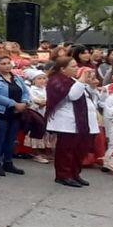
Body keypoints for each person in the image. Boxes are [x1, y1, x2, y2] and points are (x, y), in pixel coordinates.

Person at [46, 56, 100, 188]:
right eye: (73, 66)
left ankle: (75, 173)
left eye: (76, 66)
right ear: (63, 69)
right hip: (67, 122)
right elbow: (73, 96)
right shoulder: (56, 81)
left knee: (80, 149)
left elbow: (89, 96)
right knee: (66, 150)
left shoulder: (73, 80)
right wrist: (82, 81)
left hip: (82, 121)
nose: (77, 68)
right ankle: (63, 175)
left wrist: (91, 86)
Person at [0, 55, 29, 177]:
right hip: (0, 113)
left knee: (11, 138)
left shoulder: (17, 78)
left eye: (8, 63)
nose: (7, 65)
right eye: (3, 64)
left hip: (15, 113)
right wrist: (14, 104)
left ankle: (8, 162)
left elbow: (25, 91)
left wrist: (24, 102)